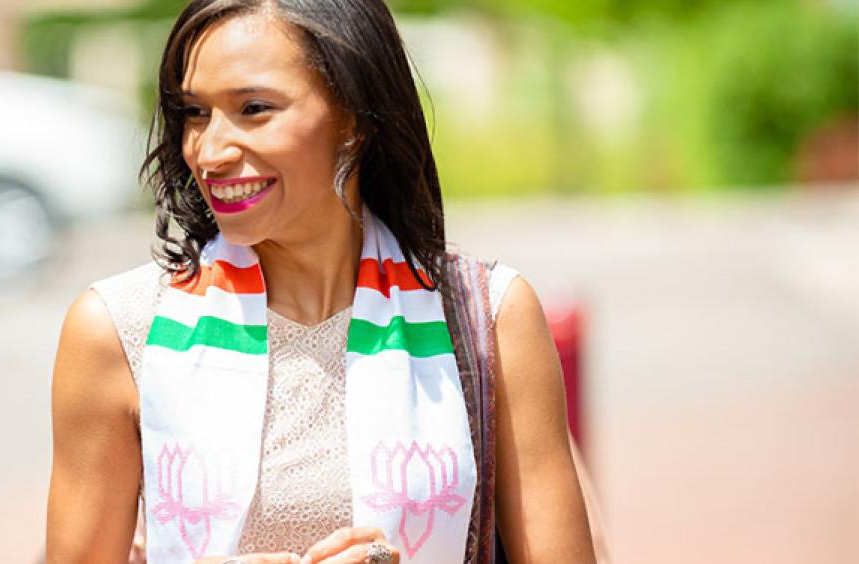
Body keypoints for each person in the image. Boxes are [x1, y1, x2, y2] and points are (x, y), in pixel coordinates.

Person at [46, 1, 598, 563]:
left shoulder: (491, 316)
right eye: (193, 112)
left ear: (356, 118)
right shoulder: (119, 330)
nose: (208, 151)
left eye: (255, 108)